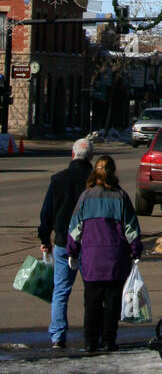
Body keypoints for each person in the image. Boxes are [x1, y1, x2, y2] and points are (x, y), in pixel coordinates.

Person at [66, 155, 142, 354]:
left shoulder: (86, 197)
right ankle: (109, 340)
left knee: (91, 302)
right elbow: (131, 228)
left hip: (91, 259)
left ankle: (90, 341)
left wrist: (72, 252)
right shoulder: (120, 196)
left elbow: (75, 229)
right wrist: (135, 251)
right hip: (116, 258)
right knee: (112, 302)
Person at [38, 137, 94, 349]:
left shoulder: (58, 179)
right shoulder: (94, 181)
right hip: (90, 244)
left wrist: (45, 239)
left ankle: (57, 336)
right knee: (92, 291)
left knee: (60, 291)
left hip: (63, 241)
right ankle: (92, 334)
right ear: (91, 157)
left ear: (72, 155)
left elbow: (46, 214)